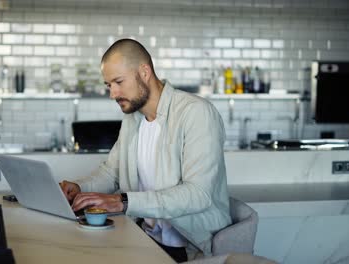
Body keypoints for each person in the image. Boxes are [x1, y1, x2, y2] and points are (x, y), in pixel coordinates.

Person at [61, 38, 231, 262]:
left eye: (118, 82)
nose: (113, 93)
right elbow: (112, 172)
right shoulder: (133, 118)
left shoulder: (196, 113)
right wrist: (79, 187)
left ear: (144, 72)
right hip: (146, 238)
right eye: (108, 85)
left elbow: (198, 195)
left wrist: (124, 201)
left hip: (191, 247)